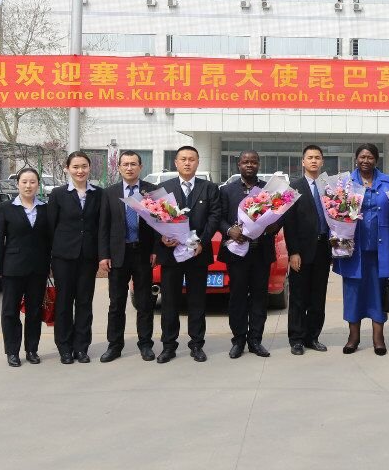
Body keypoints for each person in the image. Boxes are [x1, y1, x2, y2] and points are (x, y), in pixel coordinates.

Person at [154, 145, 222, 364]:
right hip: (171, 254)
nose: (187, 163)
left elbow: (214, 216)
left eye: (191, 159)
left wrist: (202, 241)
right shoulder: (163, 188)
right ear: (176, 162)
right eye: (183, 159)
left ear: (197, 162)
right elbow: (156, 218)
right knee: (170, 302)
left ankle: (197, 345)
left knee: (197, 301)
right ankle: (168, 346)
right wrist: (162, 238)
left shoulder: (210, 188)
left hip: (197, 254)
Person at [334, 144, 389, 356]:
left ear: (376, 160)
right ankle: (353, 337)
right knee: (353, 293)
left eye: (370, 157)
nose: (366, 160)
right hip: (353, 248)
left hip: (381, 249)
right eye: (362, 157)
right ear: (356, 159)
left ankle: (378, 338)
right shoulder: (344, 182)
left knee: (378, 294)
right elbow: (334, 214)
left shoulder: (388, 181)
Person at [97, 150, 158, 363]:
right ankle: (114, 345)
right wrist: (103, 255)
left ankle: (145, 344)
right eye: (125, 164)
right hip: (117, 255)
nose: (129, 167)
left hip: (143, 253)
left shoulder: (151, 191)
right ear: (119, 167)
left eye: (133, 164)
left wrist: (155, 250)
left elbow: (159, 224)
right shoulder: (109, 193)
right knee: (116, 303)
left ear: (140, 167)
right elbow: (103, 226)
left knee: (144, 303)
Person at [218, 150, 277, 359]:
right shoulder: (226, 191)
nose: (249, 165)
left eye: (253, 162)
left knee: (260, 298)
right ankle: (238, 340)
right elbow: (219, 218)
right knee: (237, 297)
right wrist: (229, 231)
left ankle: (255, 341)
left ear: (259, 165)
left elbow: (278, 217)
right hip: (237, 253)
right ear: (239, 165)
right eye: (245, 162)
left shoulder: (268, 191)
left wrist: (272, 227)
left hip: (261, 252)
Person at [0, 167, 52, 367]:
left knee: (34, 311)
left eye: (32, 182)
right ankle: (12, 351)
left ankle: (32, 349)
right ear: (17, 184)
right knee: (10, 311)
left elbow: (49, 240)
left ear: (38, 184)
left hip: (38, 269)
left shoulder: (45, 209)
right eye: (24, 182)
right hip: (12, 269)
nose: (28, 186)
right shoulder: (5, 208)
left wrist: (50, 265)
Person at [48, 151, 103, 364]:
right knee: (63, 302)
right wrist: (51, 258)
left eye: (84, 166)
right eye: (75, 167)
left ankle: (81, 347)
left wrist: (101, 256)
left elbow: (100, 226)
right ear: (67, 169)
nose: (80, 171)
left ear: (89, 168)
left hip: (88, 257)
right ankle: (64, 347)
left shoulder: (99, 194)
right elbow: (50, 228)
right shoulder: (58, 194)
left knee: (84, 303)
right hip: (63, 257)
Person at [282, 145, 333, 355]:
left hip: (323, 248)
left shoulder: (329, 186)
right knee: (298, 297)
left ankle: (313, 337)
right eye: (310, 157)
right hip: (301, 252)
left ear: (322, 162)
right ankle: (296, 339)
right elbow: (289, 223)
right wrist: (293, 251)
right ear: (303, 162)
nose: (313, 161)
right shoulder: (294, 187)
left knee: (318, 296)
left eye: (317, 158)